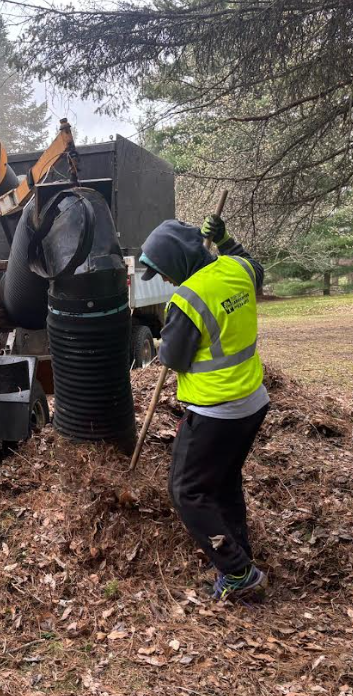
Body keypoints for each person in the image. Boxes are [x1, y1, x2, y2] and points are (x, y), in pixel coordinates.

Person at [138, 215, 270, 601]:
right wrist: (226, 240)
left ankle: (238, 571)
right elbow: (255, 266)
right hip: (251, 403)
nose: (165, 281)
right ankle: (240, 553)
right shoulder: (237, 269)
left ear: (178, 261)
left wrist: (165, 340)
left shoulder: (189, 298)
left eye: (164, 272)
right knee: (224, 481)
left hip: (216, 411)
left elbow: (175, 360)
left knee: (187, 491)